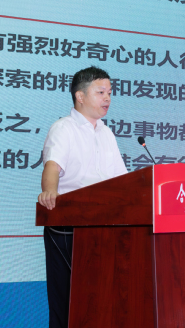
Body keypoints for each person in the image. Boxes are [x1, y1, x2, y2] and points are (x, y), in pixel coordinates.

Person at [37, 66, 128, 328]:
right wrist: (50, 191)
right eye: (101, 92)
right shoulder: (63, 128)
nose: (107, 98)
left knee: (101, 300)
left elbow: (122, 181)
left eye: (109, 92)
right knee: (68, 301)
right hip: (69, 226)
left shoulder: (106, 133)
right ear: (80, 96)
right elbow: (52, 167)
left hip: (105, 226)